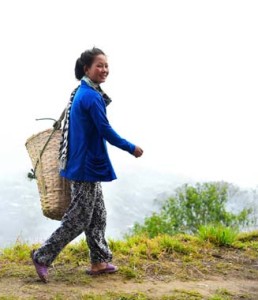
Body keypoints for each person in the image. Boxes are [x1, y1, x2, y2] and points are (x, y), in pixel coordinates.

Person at [31, 47, 143, 282]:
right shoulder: (91, 97)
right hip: (84, 167)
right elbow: (105, 130)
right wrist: (131, 147)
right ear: (86, 69)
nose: (104, 70)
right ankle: (42, 256)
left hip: (84, 164)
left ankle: (99, 261)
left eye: (106, 66)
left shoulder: (83, 91)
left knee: (98, 215)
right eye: (99, 66)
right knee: (79, 218)